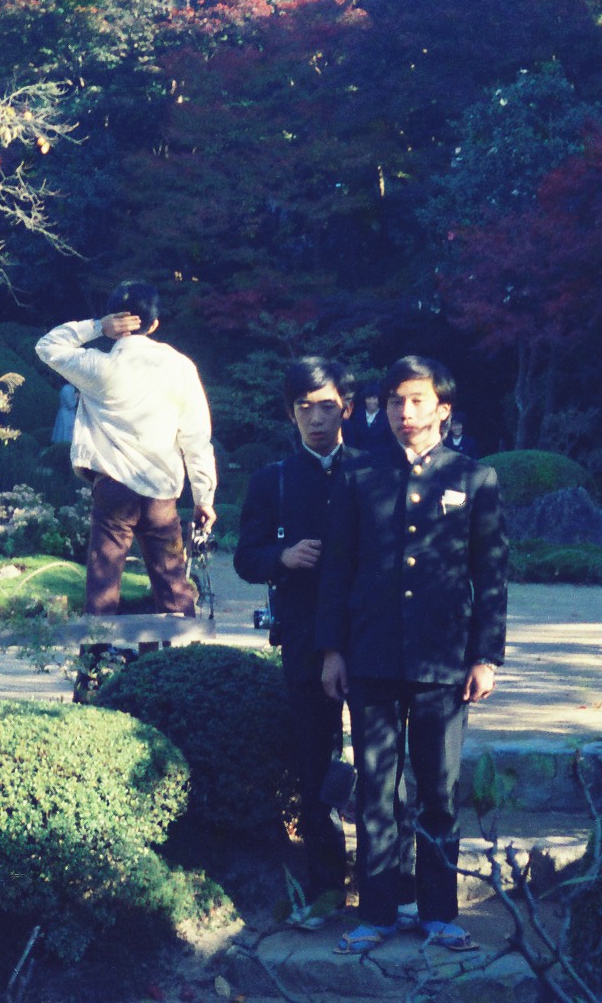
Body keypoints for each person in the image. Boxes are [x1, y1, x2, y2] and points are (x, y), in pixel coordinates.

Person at [318, 355, 507, 955]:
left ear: (443, 409)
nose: (405, 411)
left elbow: (491, 574)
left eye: (418, 400)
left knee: (439, 790)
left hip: (443, 658)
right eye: (396, 400)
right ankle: (376, 912)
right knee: (377, 789)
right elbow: (337, 569)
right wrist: (332, 650)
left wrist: (486, 657)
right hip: (371, 653)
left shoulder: (474, 478)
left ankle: (439, 913)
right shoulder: (360, 475)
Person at [234, 357, 357, 929]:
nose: (316, 418)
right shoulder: (274, 480)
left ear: (346, 408)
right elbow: (245, 557)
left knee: (385, 762)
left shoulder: (372, 471)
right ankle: (326, 882)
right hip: (304, 635)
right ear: (290, 413)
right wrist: (281, 558)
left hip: (372, 635)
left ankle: (389, 881)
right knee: (314, 762)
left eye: (327, 405)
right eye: (304, 407)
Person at [35, 281, 217, 616]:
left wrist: (96, 327)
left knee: (102, 586)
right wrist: (204, 496)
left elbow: (47, 346)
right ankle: (185, 647)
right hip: (161, 491)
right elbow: (196, 437)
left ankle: (97, 650)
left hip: (113, 488)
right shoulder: (180, 367)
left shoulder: (98, 366)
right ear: (155, 324)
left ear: (114, 321)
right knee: (173, 585)